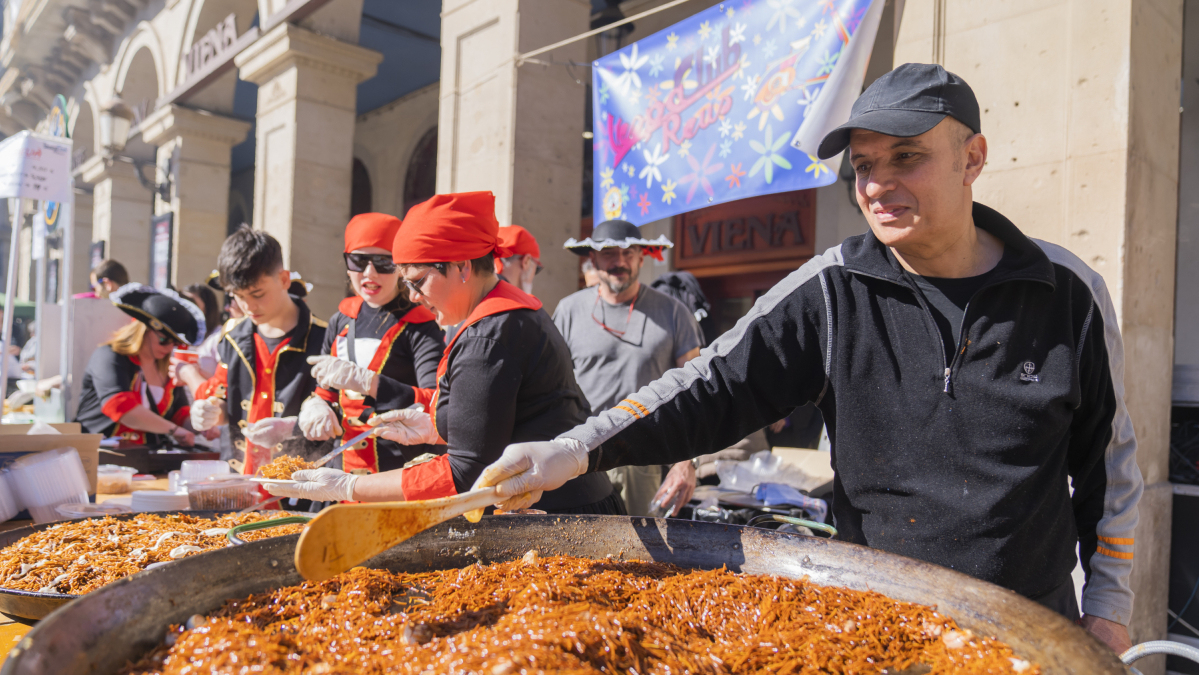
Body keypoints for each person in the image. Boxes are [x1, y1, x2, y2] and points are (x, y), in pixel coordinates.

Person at [474, 64, 1142, 653]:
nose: (878, 184)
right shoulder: (831, 289)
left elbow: (1107, 466)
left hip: (1026, 629)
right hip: (877, 627)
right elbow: (707, 385)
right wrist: (571, 449)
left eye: (906, 157)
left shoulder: (1067, 291)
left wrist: (1109, 609)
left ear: (973, 158)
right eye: (864, 165)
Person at [266, 191, 622, 515]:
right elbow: (491, 414)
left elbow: (463, 471)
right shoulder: (505, 313)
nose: (415, 296)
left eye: (419, 281)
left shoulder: (489, 335)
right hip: (563, 499)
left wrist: (349, 487)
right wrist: (433, 424)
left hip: (562, 511)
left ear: (463, 267)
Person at [555, 219, 703, 516]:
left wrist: (688, 462)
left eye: (629, 252)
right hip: (582, 454)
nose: (620, 261)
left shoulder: (674, 313)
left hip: (645, 457)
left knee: (642, 557)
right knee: (581, 552)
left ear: (641, 257)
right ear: (592, 259)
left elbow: (696, 393)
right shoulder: (569, 311)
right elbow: (554, 391)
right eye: (609, 253)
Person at [300, 212, 446, 473]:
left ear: (400, 266)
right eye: (358, 260)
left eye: (383, 262)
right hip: (340, 470)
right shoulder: (341, 319)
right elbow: (326, 391)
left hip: (398, 471)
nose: (369, 272)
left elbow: (436, 402)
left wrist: (371, 383)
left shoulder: (421, 326)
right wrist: (316, 405)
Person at [183, 226, 328, 475]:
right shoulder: (231, 337)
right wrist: (208, 412)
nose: (248, 306)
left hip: (299, 487)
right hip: (240, 481)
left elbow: (334, 415)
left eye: (257, 294)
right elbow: (223, 399)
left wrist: (290, 427)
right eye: (237, 296)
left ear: (284, 279)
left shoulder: (323, 339)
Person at [74, 284, 201, 446]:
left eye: (175, 343)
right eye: (164, 340)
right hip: (101, 455)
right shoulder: (109, 356)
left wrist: (202, 424)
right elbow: (121, 408)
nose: (169, 348)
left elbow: (179, 415)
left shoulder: (167, 367)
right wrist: (173, 430)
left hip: (145, 459)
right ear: (142, 330)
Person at [180, 283, 222, 380]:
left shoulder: (219, 337)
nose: (188, 307)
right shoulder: (181, 334)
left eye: (192, 302)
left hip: (208, 393)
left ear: (208, 307)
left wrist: (191, 373)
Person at [495, 225, 542, 295]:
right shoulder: (520, 304)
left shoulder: (477, 294)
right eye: (537, 269)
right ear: (526, 262)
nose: (533, 277)